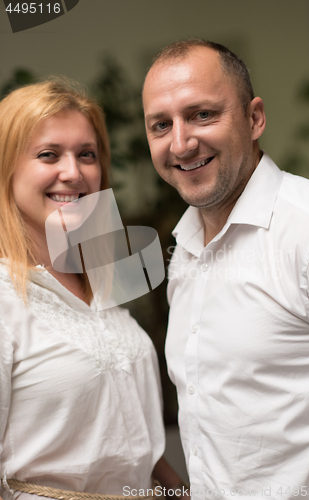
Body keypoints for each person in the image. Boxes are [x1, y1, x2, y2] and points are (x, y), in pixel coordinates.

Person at [142, 39, 309, 500]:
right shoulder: (184, 251)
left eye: (202, 114)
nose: (181, 142)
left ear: (254, 119)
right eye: (161, 125)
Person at [0, 79, 189, 500]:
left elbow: (118, 429)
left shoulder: (102, 282)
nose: (74, 172)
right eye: (49, 155)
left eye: (87, 155)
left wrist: (177, 488)